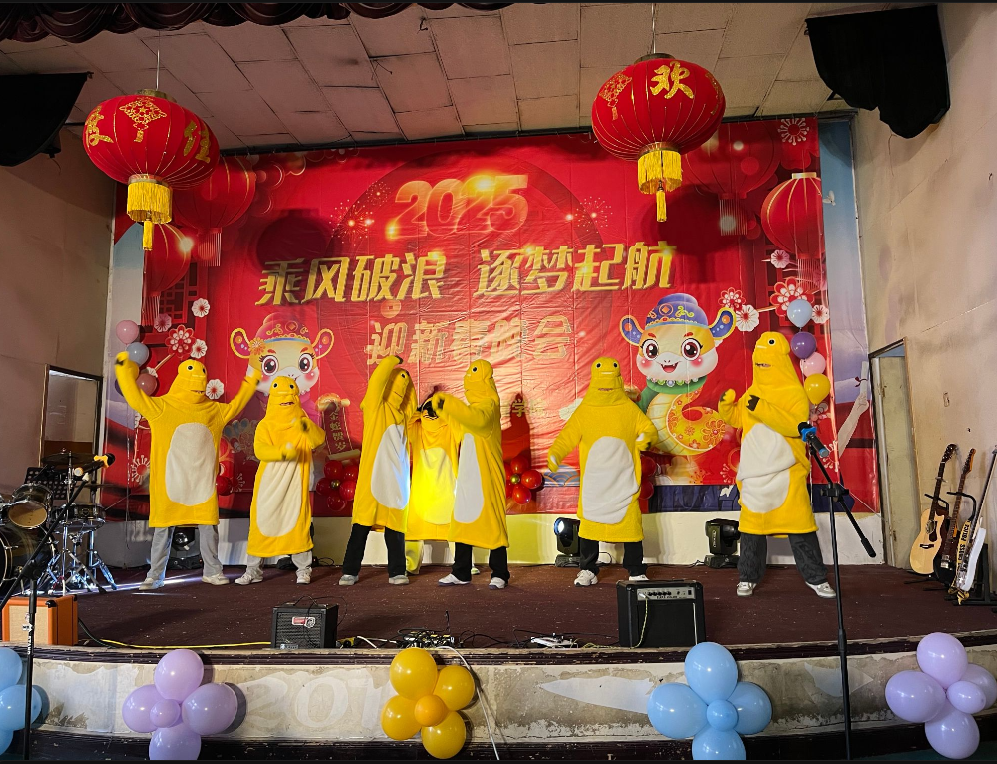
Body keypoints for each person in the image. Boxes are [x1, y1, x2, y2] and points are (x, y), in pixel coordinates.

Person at [114, 354, 260, 589]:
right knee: (164, 529)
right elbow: (135, 397)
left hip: (201, 483)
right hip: (170, 483)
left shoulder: (212, 410)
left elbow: (237, 404)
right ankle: (155, 575)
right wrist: (123, 370)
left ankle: (212, 571)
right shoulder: (162, 406)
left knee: (207, 527)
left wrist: (253, 375)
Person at [718, 331, 836, 599]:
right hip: (755, 473)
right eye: (758, 360)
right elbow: (740, 418)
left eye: (766, 359)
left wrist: (762, 408)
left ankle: (816, 578)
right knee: (751, 530)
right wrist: (727, 408)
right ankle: (747, 577)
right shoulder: (753, 391)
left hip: (787, 472)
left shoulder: (794, 392)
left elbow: (794, 426)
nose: (761, 364)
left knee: (800, 526)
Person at [547, 357, 659, 587]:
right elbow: (567, 436)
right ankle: (588, 568)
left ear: (618, 380)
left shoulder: (628, 409)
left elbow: (648, 429)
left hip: (623, 480)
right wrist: (556, 453)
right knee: (589, 528)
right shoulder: (585, 410)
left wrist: (645, 438)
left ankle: (635, 569)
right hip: (595, 484)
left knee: (631, 527)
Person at [236, 376, 326, 586]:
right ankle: (253, 570)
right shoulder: (266, 425)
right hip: (269, 484)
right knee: (261, 524)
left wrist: (307, 427)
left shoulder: (302, 421)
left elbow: (318, 440)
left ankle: (303, 570)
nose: (285, 401)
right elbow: (260, 450)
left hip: (295, 483)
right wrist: (282, 453)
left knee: (297, 524)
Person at [432, 359, 509, 589]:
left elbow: (478, 420)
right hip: (468, 478)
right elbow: (460, 428)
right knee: (463, 523)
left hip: (487, 478)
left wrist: (450, 403)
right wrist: (443, 411)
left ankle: (500, 573)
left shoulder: (489, 406)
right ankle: (461, 572)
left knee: (493, 524)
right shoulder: (471, 410)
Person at [339, 355, 415, 586]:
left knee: (395, 530)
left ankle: (397, 571)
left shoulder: (404, 417)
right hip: (372, 481)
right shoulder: (376, 408)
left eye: (404, 388)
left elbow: (411, 402)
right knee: (361, 526)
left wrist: (409, 382)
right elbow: (375, 385)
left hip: (396, 483)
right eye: (398, 385)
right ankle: (350, 571)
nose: (400, 391)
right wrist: (390, 361)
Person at [405, 392, 459, 575]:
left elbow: (463, 429)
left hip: (447, 488)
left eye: (435, 409)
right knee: (414, 530)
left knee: (456, 529)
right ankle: (410, 564)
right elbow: (404, 426)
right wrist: (417, 411)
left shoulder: (451, 428)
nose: (431, 412)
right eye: (428, 408)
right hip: (423, 490)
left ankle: (464, 563)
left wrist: (445, 412)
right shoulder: (417, 429)